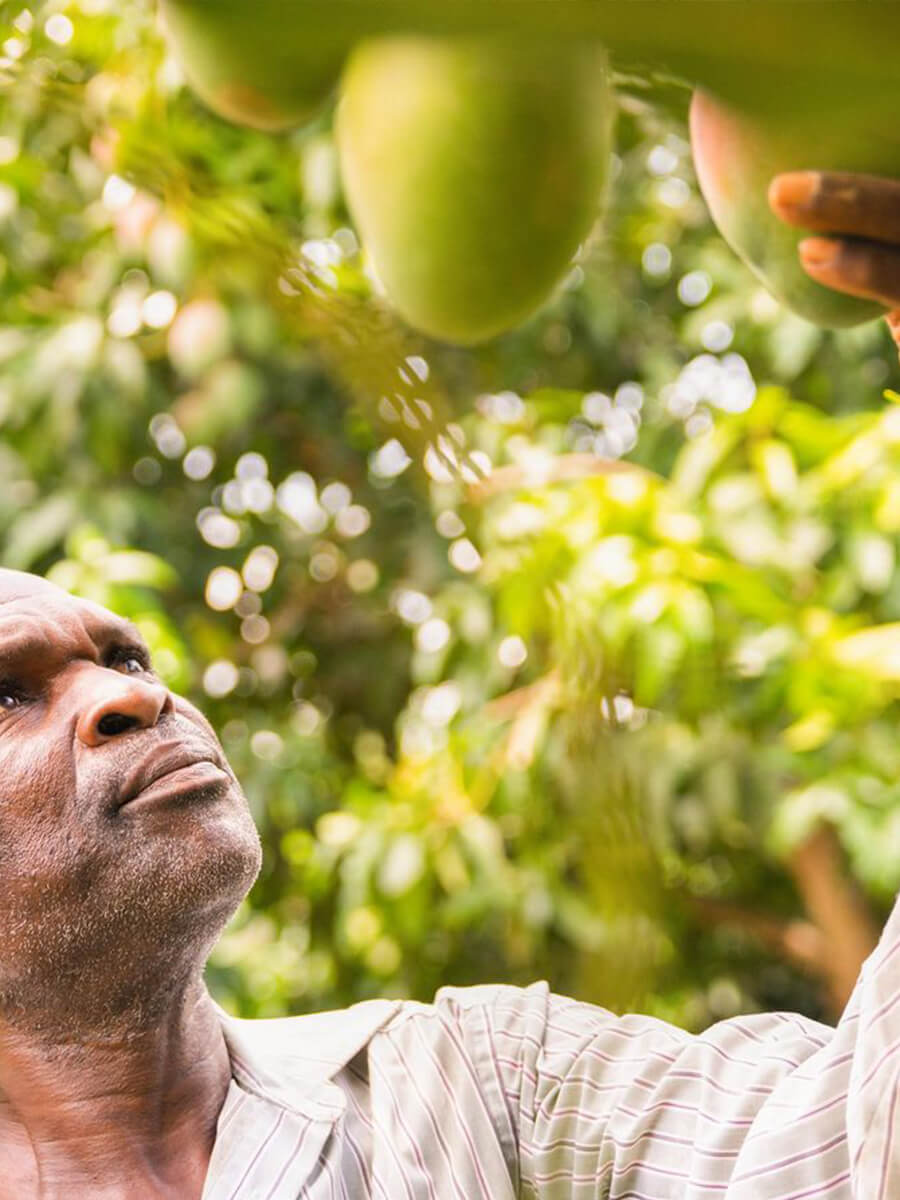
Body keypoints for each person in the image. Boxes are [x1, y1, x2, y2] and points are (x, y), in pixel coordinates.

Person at [2, 175, 900, 1200]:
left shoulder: (483, 1088)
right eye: (7, 698)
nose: (133, 700)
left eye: (124, 659)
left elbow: (847, 1151)